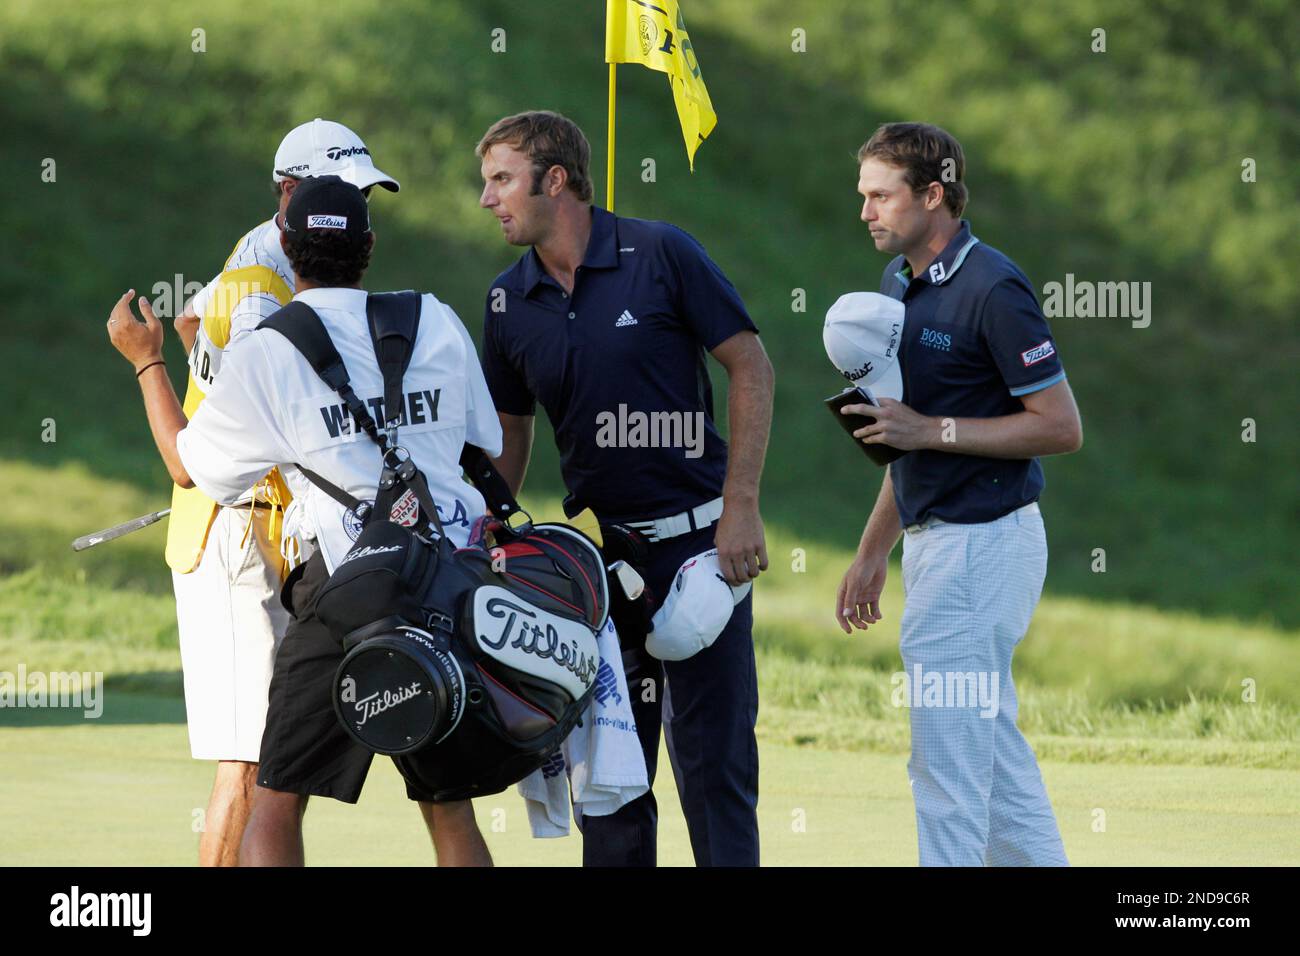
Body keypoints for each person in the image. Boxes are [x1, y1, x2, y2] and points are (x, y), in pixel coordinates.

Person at [106, 175, 501, 866]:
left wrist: (147, 362)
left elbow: (186, 464)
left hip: (348, 588)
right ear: (370, 247)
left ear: (286, 248)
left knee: (278, 794)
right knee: (448, 808)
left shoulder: (270, 349)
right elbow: (484, 445)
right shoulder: (434, 316)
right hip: (448, 583)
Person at [476, 110, 775, 867]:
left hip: (705, 551)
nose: (487, 200)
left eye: (501, 180)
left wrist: (741, 507)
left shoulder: (661, 253)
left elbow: (751, 365)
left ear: (556, 179)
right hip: (601, 572)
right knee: (609, 787)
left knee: (715, 777)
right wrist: (489, 536)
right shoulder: (507, 302)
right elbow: (512, 438)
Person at [834, 122, 1082, 867]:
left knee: (945, 767)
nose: (866, 212)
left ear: (933, 194)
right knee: (994, 762)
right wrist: (874, 549)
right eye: (863, 196)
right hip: (939, 544)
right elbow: (901, 433)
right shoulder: (897, 285)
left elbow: (1061, 426)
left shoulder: (992, 286)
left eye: (881, 196)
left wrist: (931, 430)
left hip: (983, 544)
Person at [163, 117, 399, 866]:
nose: (358, 210)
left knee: (270, 752)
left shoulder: (266, 251)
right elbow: (238, 400)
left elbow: (191, 316)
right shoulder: (265, 274)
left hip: (267, 524)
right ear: (292, 190)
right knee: (252, 757)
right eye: (341, 190)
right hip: (233, 529)